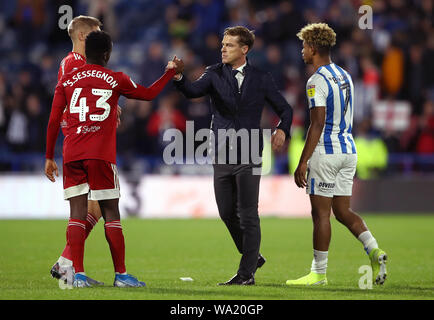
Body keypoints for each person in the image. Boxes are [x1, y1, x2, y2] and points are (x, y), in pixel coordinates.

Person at [45, 30, 179, 287]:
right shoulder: (114, 78)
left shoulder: (67, 80)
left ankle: (77, 276)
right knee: (111, 214)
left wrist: (49, 156)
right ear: (107, 54)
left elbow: (53, 120)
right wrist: (171, 72)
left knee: (76, 214)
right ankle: (121, 275)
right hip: (100, 155)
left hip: (72, 154)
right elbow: (149, 94)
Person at [173, 26, 293, 285]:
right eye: (223, 44)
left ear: (244, 49)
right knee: (226, 211)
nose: (223, 48)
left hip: (249, 151)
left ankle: (246, 273)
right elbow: (192, 92)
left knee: (248, 213)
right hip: (221, 152)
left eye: (229, 45)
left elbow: (285, 109)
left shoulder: (261, 77)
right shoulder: (213, 73)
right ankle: (252, 256)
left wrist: (282, 129)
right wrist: (180, 77)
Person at [287, 23, 388, 286]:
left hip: (327, 153)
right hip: (348, 151)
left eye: (303, 46)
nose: (302, 51)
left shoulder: (315, 81)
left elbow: (317, 124)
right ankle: (374, 250)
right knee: (342, 211)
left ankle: (318, 273)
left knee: (320, 215)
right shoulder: (345, 75)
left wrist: (303, 160)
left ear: (312, 48)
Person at [50, 15, 112, 286]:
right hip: (86, 141)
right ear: (83, 37)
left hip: (80, 139)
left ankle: (66, 264)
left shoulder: (70, 63)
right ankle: (67, 266)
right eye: (96, 34)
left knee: (93, 207)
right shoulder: (77, 63)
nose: (99, 38)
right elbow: (75, 97)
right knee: (95, 207)